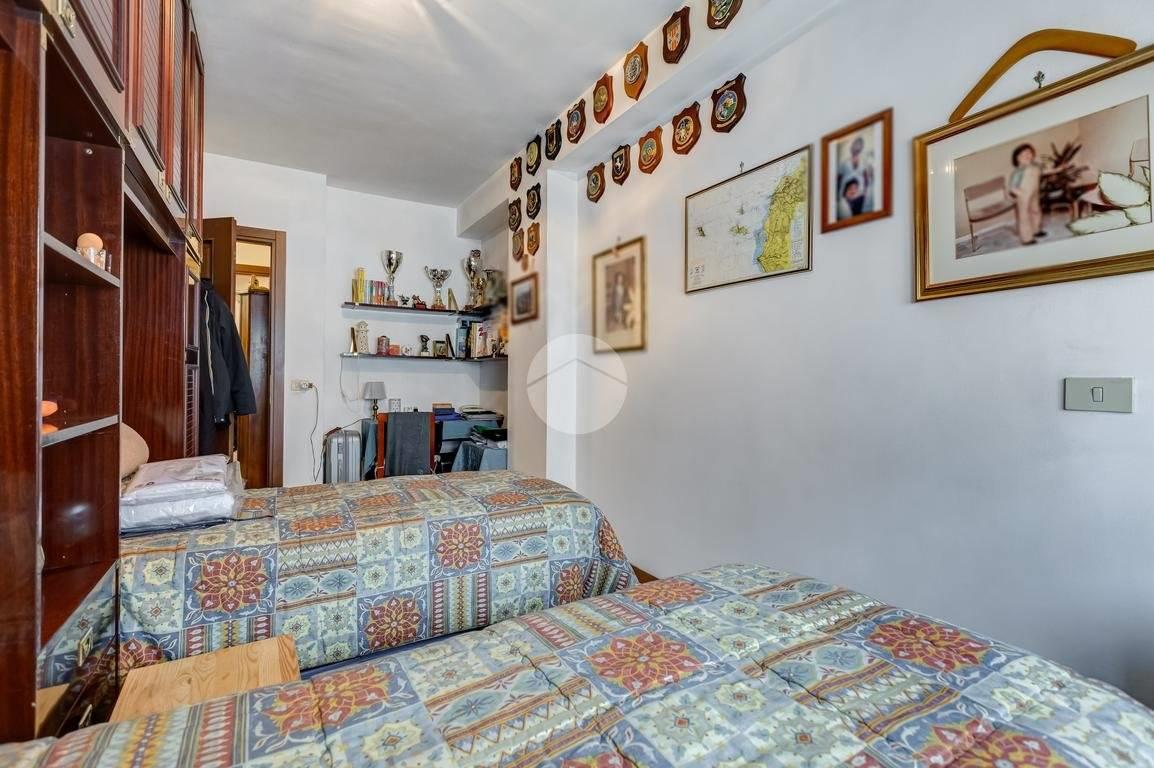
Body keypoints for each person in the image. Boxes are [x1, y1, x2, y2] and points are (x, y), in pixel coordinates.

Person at [1008, 143, 1046, 245]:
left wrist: (1058, 169)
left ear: (1033, 154)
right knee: (1024, 215)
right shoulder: (1018, 171)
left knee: (1035, 211)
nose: (1027, 156)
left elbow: (1043, 171)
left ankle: (1036, 230)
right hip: (1023, 194)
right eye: (1022, 155)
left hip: (1034, 192)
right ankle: (1027, 238)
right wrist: (1020, 194)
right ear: (1017, 159)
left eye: (1029, 153)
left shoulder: (1035, 166)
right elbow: (1012, 187)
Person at [836, 135, 875, 219]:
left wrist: (865, 192)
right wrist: (837, 196)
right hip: (845, 195)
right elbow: (838, 180)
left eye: (859, 144)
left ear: (861, 147)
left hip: (859, 194)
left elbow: (866, 179)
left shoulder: (864, 162)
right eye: (856, 144)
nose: (857, 146)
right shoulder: (844, 163)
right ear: (852, 146)